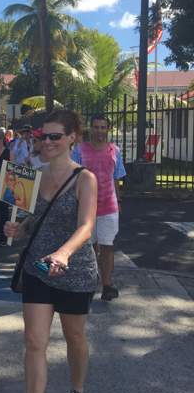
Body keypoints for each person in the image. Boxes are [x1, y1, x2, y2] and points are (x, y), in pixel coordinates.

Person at [0, 109, 98, 393]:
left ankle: (77, 390)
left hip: (75, 272)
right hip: (38, 270)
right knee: (34, 342)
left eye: (56, 136)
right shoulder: (31, 175)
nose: (49, 142)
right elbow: (29, 223)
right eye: (45, 136)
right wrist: (18, 227)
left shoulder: (85, 179)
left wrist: (64, 253)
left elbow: (86, 226)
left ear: (72, 138)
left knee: (74, 339)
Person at [72, 113, 126, 301]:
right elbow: (74, 178)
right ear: (91, 128)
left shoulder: (114, 151)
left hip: (108, 207)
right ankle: (90, 280)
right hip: (86, 208)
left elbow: (116, 179)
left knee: (107, 245)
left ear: (107, 129)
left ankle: (107, 285)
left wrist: (118, 202)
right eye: (96, 127)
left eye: (103, 127)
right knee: (89, 246)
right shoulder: (79, 150)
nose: (99, 131)